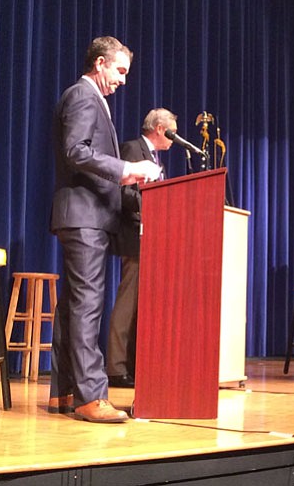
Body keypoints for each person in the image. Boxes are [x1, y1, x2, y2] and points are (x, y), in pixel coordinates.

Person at [49, 36, 161, 423]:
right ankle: (90, 397)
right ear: (100, 64)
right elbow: (75, 151)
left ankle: (63, 393)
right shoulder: (83, 96)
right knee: (87, 306)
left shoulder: (90, 98)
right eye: (120, 71)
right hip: (84, 217)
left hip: (82, 216)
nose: (123, 80)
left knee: (72, 307)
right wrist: (127, 170)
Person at [106, 108, 178, 388]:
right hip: (134, 236)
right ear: (159, 128)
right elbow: (122, 192)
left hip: (153, 238)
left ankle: (137, 364)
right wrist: (154, 205)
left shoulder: (156, 157)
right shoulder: (132, 148)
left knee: (143, 305)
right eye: (172, 131)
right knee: (127, 301)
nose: (174, 137)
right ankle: (115, 367)